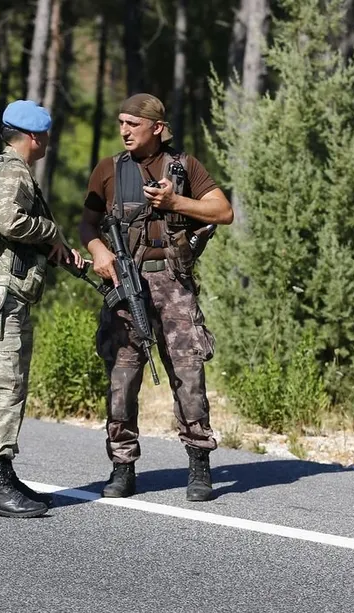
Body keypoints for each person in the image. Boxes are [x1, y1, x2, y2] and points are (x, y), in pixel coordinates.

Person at [79, 93, 233, 502]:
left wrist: (176, 202)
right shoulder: (109, 170)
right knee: (123, 374)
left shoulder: (184, 168)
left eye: (133, 123)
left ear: (157, 128)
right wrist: (98, 251)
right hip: (125, 283)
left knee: (188, 371)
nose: (125, 130)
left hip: (172, 281)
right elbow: (87, 224)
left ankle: (199, 465)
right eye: (121, 123)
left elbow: (223, 211)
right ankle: (122, 465)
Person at [0, 99, 83, 518]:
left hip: (0, 295)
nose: (47, 141)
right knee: (4, 385)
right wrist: (51, 230)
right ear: (33, 137)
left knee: (5, 382)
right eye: (45, 136)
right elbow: (12, 222)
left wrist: (56, 250)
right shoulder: (14, 172)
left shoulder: (2, 168)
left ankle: (4, 477)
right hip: (0, 299)